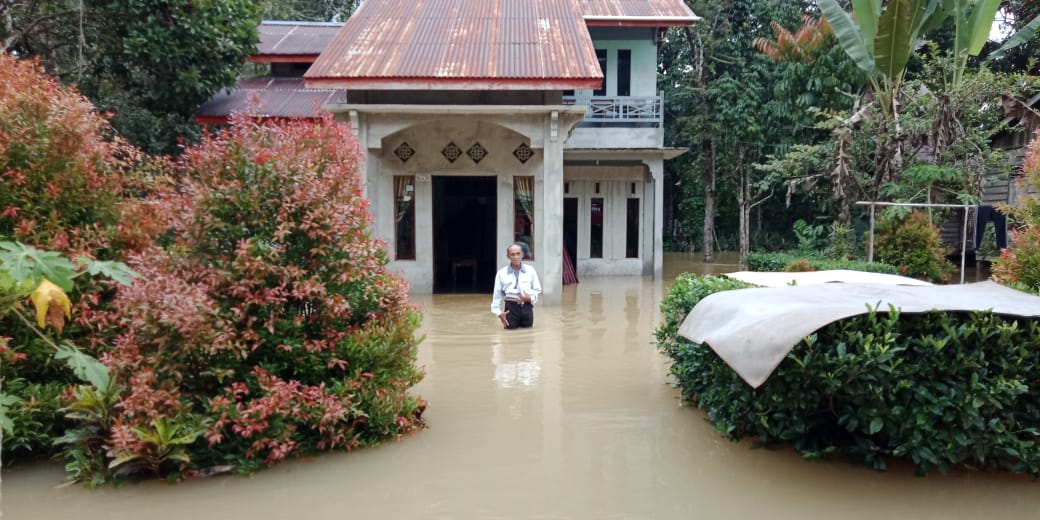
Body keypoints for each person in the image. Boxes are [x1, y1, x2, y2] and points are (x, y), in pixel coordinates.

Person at [490, 242, 542, 329]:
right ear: (508, 256)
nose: (516, 257)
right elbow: (497, 296)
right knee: (510, 338)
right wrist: (499, 313)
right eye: (512, 254)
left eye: (518, 254)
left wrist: (529, 299)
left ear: (522, 254)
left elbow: (537, 290)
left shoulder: (531, 270)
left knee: (528, 336)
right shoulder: (501, 273)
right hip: (510, 309)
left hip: (527, 307)